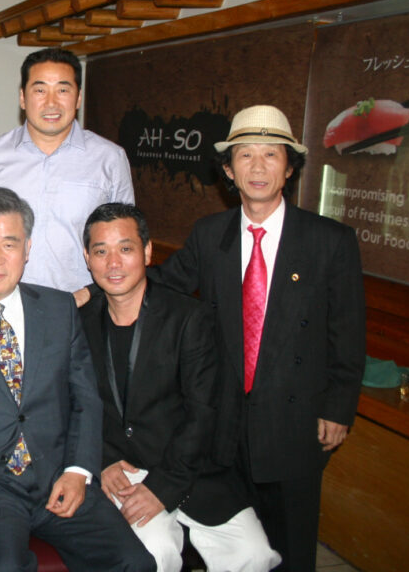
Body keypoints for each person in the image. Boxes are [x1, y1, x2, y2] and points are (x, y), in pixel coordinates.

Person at [150, 105, 365, 571]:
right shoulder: (211, 235)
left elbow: (347, 331)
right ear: (229, 170)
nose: (259, 166)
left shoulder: (330, 241)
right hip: (224, 423)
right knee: (234, 548)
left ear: (289, 168)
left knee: (292, 546)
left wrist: (338, 407)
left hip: (295, 421)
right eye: (246, 155)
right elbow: (161, 286)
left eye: (272, 154)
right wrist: (97, 287)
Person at [0, 186, 154, 572]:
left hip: (59, 478)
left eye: (9, 244)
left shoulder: (60, 309)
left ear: (27, 248)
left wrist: (78, 472)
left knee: (135, 563)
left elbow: (85, 399)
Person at [80, 203, 280, 572]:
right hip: (121, 470)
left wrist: (163, 487)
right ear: (87, 258)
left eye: (126, 248)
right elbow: (73, 406)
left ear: (147, 252)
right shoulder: (79, 323)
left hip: (189, 469)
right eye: (101, 251)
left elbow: (203, 413)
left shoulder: (189, 318)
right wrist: (101, 460)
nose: (113, 263)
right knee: (153, 555)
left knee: (253, 554)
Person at [0, 48, 134, 305]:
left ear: (78, 98)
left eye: (63, 90)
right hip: (1, 305)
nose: (51, 103)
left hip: (81, 305)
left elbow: (125, 240)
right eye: (40, 90)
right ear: (22, 98)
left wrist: (89, 293)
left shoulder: (110, 158)